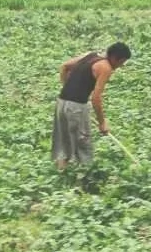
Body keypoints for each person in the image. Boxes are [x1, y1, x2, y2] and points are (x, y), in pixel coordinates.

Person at [52, 41, 131, 170]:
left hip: (61, 102)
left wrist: (68, 88)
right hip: (76, 107)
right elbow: (96, 98)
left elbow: (65, 66)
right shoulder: (106, 67)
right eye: (122, 62)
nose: (120, 66)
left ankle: (63, 177)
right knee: (83, 146)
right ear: (117, 58)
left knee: (64, 144)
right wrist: (102, 122)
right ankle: (83, 182)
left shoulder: (90, 55)